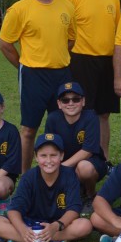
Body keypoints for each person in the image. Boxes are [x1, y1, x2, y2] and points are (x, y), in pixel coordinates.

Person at [0, 0, 75, 171]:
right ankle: (26, 178)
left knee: (62, 127)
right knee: (29, 129)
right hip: (33, 76)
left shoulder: (67, 6)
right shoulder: (20, 9)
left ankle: (61, 174)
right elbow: (4, 44)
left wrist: (55, 56)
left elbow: (71, 39)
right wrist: (23, 65)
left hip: (62, 75)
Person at [0, 133, 93, 242]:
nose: (48, 161)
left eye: (53, 155)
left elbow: (74, 208)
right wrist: (23, 230)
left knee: (85, 225)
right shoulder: (29, 177)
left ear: (61, 156)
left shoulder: (69, 175)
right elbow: (14, 209)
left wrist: (56, 226)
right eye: (43, 156)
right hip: (30, 225)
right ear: (36, 157)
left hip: (57, 225)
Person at [64, 0, 121, 158]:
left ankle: (103, 158)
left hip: (106, 61)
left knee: (103, 114)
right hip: (81, 60)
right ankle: (81, 156)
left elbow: (116, 32)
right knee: (82, 112)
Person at [43, 82, 109, 211]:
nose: (71, 103)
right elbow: (50, 148)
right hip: (64, 163)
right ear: (59, 104)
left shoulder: (91, 117)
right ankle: (77, 190)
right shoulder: (52, 119)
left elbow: (88, 151)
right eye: (65, 100)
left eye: (76, 99)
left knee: (84, 167)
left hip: (91, 163)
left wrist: (61, 167)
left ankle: (90, 196)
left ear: (83, 101)